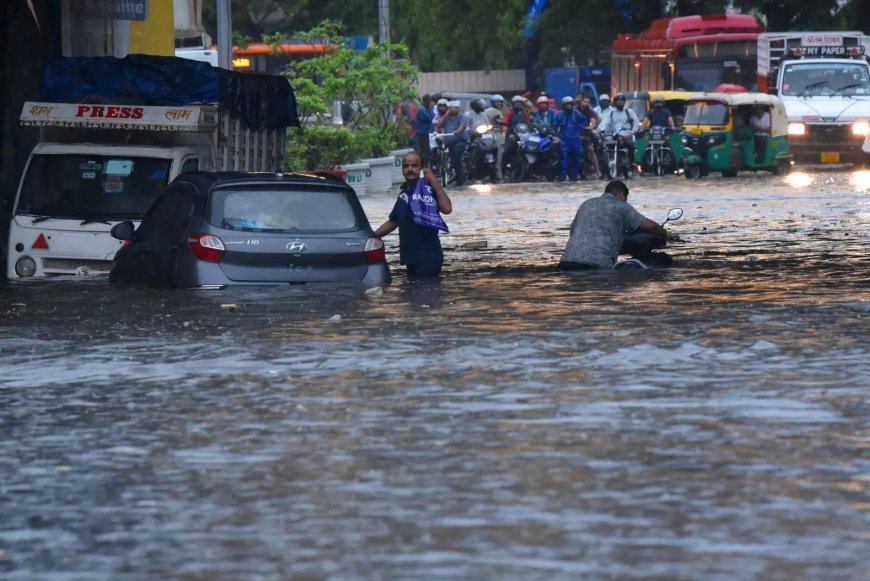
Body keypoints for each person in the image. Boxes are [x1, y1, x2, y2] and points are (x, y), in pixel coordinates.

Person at [557, 180, 669, 270]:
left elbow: (572, 232)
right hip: (596, 266)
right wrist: (667, 234)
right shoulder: (621, 206)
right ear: (622, 195)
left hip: (566, 263)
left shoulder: (587, 204)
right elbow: (651, 227)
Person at [374, 152, 453, 278]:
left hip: (428, 258)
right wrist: (372, 236)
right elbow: (393, 221)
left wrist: (433, 179)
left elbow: (447, 208)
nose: (410, 169)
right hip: (411, 258)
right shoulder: (404, 194)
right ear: (402, 170)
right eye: (406, 166)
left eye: (414, 166)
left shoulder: (428, 190)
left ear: (421, 169)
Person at [553, 96, 588, 181]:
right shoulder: (558, 115)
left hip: (575, 139)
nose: (568, 106)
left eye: (570, 104)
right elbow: (554, 125)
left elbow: (584, 120)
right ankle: (563, 175)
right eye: (567, 105)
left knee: (577, 156)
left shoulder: (576, 113)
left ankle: (575, 174)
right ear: (563, 106)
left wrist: (579, 127)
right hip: (563, 139)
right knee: (564, 157)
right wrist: (556, 134)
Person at [436, 100, 470, 186]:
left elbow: (462, 127)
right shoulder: (446, 117)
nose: (450, 109)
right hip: (449, 142)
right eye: (449, 108)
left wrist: (458, 131)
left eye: (452, 108)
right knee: (446, 153)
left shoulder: (462, 116)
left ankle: (459, 178)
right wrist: (445, 115)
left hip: (460, 140)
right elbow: (438, 125)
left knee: (456, 154)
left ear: (457, 108)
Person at [607, 93, 640, 166]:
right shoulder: (612, 113)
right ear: (615, 102)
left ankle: (631, 162)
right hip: (615, 135)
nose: (620, 103)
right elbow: (608, 124)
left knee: (630, 146)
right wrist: (605, 132)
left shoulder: (629, 111)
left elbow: (636, 121)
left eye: (621, 101)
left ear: (624, 102)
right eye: (618, 101)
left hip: (627, 134)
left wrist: (633, 132)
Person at [576, 95, 602, 179]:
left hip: (586, 134)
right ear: (581, 101)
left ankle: (597, 171)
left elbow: (596, 119)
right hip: (575, 135)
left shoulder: (589, 111)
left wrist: (592, 127)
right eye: (585, 102)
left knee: (591, 149)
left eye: (588, 102)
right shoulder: (575, 110)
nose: (586, 104)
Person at [484, 95, 507, 179]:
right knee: (500, 153)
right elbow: (503, 122)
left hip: (488, 134)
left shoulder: (488, 111)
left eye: (500, 102)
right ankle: (499, 174)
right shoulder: (494, 111)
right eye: (497, 102)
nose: (499, 103)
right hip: (495, 133)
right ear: (493, 103)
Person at [414, 94, 436, 167]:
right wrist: (431, 108)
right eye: (429, 101)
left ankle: (427, 167)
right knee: (424, 153)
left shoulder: (426, 109)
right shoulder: (422, 110)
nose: (431, 103)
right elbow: (430, 117)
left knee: (428, 152)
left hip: (427, 133)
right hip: (422, 133)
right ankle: (424, 167)